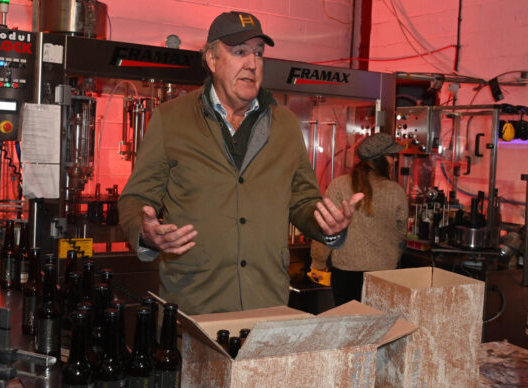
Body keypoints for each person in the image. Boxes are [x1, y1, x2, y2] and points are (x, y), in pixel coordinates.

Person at [118, 10, 363, 315]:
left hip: (267, 305)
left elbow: (303, 200)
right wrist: (145, 233)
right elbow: (135, 198)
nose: (252, 63)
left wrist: (327, 227)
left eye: (258, 53)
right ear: (211, 59)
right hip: (195, 307)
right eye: (239, 52)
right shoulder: (171, 120)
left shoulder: (285, 125)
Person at [309, 133, 408, 306]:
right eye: (392, 156)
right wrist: (391, 256)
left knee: (349, 320)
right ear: (379, 159)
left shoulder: (339, 185)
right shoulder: (395, 191)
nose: (395, 160)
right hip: (384, 275)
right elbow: (401, 233)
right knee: (378, 322)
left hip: (345, 275)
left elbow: (326, 227)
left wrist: (318, 262)